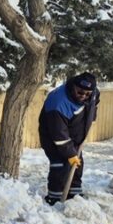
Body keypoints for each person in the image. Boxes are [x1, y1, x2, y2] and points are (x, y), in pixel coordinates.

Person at [38, 72, 100, 205]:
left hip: (75, 136)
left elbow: (95, 99)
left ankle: (74, 196)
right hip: (54, 139)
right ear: (73, 87)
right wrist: (70, 154)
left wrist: (93, 113)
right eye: (80, 92)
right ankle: (55, 199)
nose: (83, 96)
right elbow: (59, 135)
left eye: (87, 94)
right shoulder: (58, 103)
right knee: (60, 166)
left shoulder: (93, 93)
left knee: (77, 165)